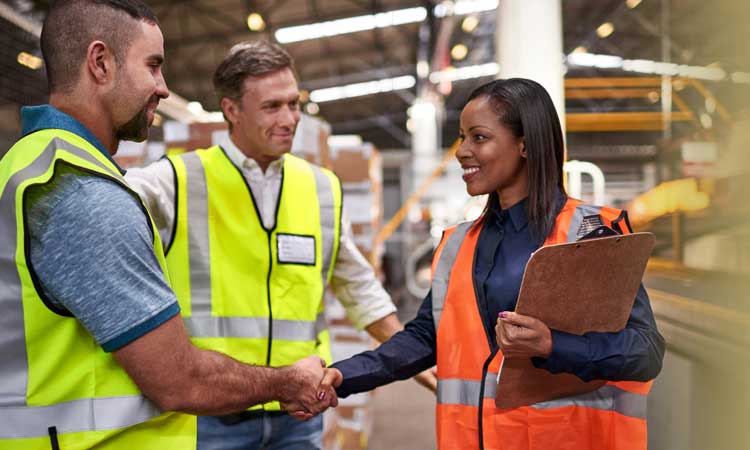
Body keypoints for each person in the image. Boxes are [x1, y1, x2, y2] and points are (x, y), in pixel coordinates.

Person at [0, 2, 334, 449]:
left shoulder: (31, 164)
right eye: (153, 66)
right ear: (100, 63)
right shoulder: (84, 197)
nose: (163, 87)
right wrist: (288, 381)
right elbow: (180, 380)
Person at [320, 78, 666, 450]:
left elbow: (645, 351)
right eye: (462, 137)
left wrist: (553, 345)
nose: (462, 151)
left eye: (478, 137)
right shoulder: (458, 245)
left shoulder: (589, 234)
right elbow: (424, 337)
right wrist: (343, 375)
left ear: (525, 145)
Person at [124, 40, 436, 450]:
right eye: (272, 107)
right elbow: (103, 207)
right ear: (231, 110)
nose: (290, 119)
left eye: (294, 104)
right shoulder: (177, 182)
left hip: (299, 415)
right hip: (209, 418)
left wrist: (416, 363)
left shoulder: (320, 187)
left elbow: (359, 288)